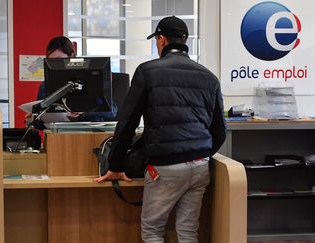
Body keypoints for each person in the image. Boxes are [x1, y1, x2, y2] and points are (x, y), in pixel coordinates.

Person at [94, 16, 226, 243]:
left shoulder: (148, 71)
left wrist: (115, 165)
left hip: (165, 166)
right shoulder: (209, 77)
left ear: (161, 40)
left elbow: (127, 123)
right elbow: (220, 130)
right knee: (187, 231)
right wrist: (198, 155)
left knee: (153, 230)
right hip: (200, 165)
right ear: (184, 41)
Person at [30, 36, 117, 122]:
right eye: (51, 61)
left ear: (71, 56)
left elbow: (112, 112)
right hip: (59, 134)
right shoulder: (45, 86)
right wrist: (34, 118)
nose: (55, 64)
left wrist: (85, 112)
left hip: (92, 132)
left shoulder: (93, 80)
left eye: (59, 60)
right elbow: (41, 121)